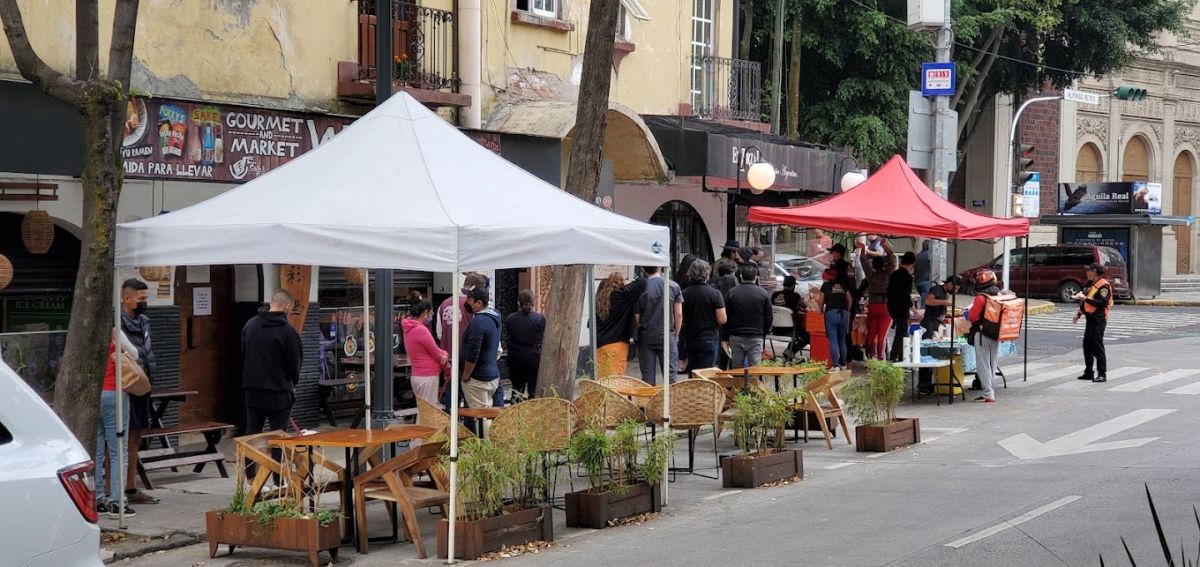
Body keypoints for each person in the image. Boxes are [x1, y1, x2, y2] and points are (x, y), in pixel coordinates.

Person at [117, 279, 158, 505]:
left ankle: (131, 486)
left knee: (136, 435)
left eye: (146, 298)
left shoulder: (144, 321)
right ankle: (115, 487)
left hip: (143, 383)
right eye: (141, 298)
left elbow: (147, 351)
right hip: (125, 384)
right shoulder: (116, 322)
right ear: (127, 298)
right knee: (119, 437)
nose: (144, 302)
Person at [241, 289, 304, 435]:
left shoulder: (250, 325)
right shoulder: (289, 332)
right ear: (288, 307)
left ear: (271, 303)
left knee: (251, 435)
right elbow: (294, 365)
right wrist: (292, 383)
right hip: (279, 393)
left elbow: (243, 355)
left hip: (253, 392)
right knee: (278, 436)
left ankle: (250, 452)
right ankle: (275, 452)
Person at [95, 329, 138, 518]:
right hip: (114, 393)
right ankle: (117, 502)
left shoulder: (86, 332)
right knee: (118, 451)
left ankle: (97, 500)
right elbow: (135, 354)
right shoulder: (114, 332)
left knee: (96, 452)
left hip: (93, 395)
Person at [635, 265, 683, 385]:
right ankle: (670, 397)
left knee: (647, 378)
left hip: (646, 335)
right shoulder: (673, 286)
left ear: (643, 269)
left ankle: (649, 396)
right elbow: (678, 314)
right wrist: (676, 334)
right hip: (667, 334)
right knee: (671, 378)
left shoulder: (640, 288)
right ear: (660, 267)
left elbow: (637, 316)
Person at [595, 272, 648, 379]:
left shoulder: (600, 301)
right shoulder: (622, 296)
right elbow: (642, 282)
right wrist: (628, 284)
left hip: (600, 344)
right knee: (616, 379)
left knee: (602, 379)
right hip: (617, 344)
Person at [916, 276, 962, 395]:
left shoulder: (944, 293)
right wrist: (945, 302)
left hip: (937, 322)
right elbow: (928, 301)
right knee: (927, 352)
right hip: (929, 323)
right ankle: (923, 384)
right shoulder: (937, 289)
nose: (956, 291)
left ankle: (928, 383)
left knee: (933, 352)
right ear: (950, 284)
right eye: (955, 288)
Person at [681, 259, 727, 371]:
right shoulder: (715, 294)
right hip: (709, 337)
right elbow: (722, 319)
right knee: (706, 372)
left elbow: (680, 317)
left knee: (693, 371)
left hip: (690, 338)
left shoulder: (684, 294)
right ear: (707, 273)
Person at [724, 263, 773, 368]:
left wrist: (726, 335)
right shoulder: (763, 293)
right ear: (756, 277)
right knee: (754, 369)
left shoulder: (731, 293)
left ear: (741, 277)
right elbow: (769, 317)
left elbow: (726, 315)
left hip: (735, 335)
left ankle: (737, 379)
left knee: (737, 368)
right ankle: (752, 380)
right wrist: (763, 333)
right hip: (756, 335)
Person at [461, 288, 502, 407]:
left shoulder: (478, 322)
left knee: (480, 415)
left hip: (478, 379)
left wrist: (466, 376)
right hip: (491, 374)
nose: (466, 302)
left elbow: (473, 353)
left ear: (479, 303)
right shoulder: (494, 318)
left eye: (469, 300)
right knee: (486, 411)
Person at [1073, 263, 1113, 383]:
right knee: (1087, 346)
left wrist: (1085, 298)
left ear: (1094, 272)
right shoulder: (1091, 284)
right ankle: (1088, 372)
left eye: (1089, 270)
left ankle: (1102, 374)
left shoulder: (1104, 286)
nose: (1087, 272)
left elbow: (1102, 303)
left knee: (1097, 346)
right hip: (1090, 319)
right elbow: (1086, 301)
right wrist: (1078, 314)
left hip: (1098, 319)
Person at [402, 300, 448, 407]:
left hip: (417, 375)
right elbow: (437, 353)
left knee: (423, 411)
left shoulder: (408, 328)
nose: (431, 316)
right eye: (431, 313)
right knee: (429, 411)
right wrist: (445, 355)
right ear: (425, 312)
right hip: (428, 376)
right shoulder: (421, 330)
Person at [965, 269, 1001, 402]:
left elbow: (972, 316)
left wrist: (968, 313)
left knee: (983, 365)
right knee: (992, 364)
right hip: (996, 334)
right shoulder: (999, 295)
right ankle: (990, 391)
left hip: (982, 334)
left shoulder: (981, 297)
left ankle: (988, 393)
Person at [859, 238, 896, 360]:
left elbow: (863, 260)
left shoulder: (870, 275)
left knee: (871, 334)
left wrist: (863, 249)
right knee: (882, 336)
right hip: (886, 307)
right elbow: (892, 257)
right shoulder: (888, 274)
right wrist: (884, 245)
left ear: (873, 265)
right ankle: (880, 358)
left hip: (873, 306)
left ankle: (870, 357)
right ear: (884, 265)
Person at [504, 289, 546, 396]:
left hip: (516, 359)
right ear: (533, 302)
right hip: (533, 359)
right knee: (533, 391)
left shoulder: (510, 318)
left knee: (516, 391)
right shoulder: (540, 319)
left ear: (518, 302)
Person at [436, 272, 489, 353]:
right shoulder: (475, 305)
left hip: (446, 356)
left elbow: (439, 334)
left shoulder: (443, 304)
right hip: (467, 356)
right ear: (475, 288)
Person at [819, 260, 854, 369]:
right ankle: (843, 365)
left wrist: (821, 311)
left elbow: (821, 301)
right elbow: (850, 299)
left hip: (831, 313)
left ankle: (835, 366)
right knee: (842, 340)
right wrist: (847, 310)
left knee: (833, 340)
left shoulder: (825, 285)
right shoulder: (842, 285)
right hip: (844, 314)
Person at [887, 252, 917, 362]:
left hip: (892, 307)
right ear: (912, 264)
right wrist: (914, 310)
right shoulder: (907, 277)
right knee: (901, 333)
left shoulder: (894, 275)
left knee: (904, 333)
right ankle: (893, 356)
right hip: (902, 308)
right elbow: (906, 295)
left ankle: (902, 356)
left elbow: (889, 292)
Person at [915, 240, 933, 308]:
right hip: (926, 281)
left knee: (923, 301)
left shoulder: (917, 256)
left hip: (917, 282)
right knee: (925, 304)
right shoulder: (931, 256)